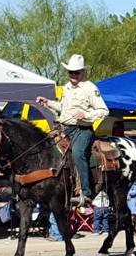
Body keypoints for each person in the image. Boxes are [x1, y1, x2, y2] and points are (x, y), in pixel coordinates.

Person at [36, 54, 109, 203]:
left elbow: (104, 110)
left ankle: (86, 191)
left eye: (77, 72)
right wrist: (47, 103)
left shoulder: (90, 88)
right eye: (71, 72)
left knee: (77, 153)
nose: (74, 75)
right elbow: (62, 108)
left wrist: (86, 115)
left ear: (83, 72)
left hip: (82, 130)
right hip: (65, 128)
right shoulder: (66, 88)